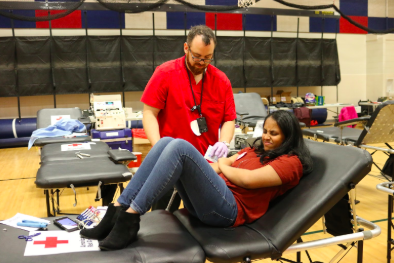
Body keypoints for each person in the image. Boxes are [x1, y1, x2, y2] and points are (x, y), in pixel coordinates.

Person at [80, 110, 313, 251]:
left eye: (274, 134)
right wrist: (213, 166)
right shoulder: (257, 151)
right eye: (266, 131)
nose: (266, 137)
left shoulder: (291, 163)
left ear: (288, 137)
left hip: (229, 211)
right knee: (165, 142)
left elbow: (248, 180)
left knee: (181, 147)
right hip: (216, 199)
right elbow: (220, 166)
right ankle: (118, 210)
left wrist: (222, 165)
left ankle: (130, 219)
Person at [141, 25, 236, 211]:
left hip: (206, 166)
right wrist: (159, 148)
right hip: (168, 163)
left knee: (203, 216)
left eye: (208, 57)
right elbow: (149, 113)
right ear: (186, 48)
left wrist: (224, 142)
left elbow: (229, 119)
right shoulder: (165, 73)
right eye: (197, 56)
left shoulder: (221, 80)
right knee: (162, 218)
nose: (202, 62)